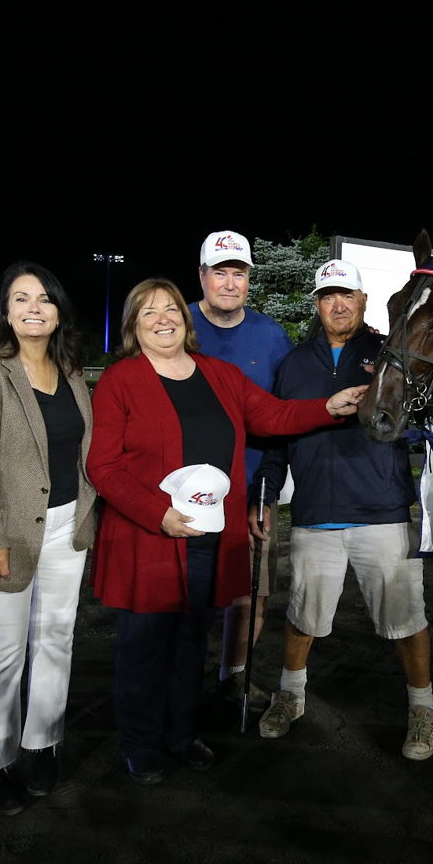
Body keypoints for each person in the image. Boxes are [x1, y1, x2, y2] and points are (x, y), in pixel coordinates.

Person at [86, 279, 366, 784]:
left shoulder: (219, 375)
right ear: (133, 325)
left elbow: (273, 415)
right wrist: (157, 513)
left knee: (192, 641)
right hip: (149, 538)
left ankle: (180, 734)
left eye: (170, 309)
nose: (163, 319)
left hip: (210, 536)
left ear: (185, 318)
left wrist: (329, 406)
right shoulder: (120, 381)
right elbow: (102, 467)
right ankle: (141, 743)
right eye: (149, 312)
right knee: (144, 646)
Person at [254, 260, 433, 760]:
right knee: (303, 614)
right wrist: (269, 492)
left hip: (381, 510)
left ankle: (423, 709)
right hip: (316, 512)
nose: (338, 305)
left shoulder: (389, 352)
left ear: (362, 300)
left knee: (406, 617)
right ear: (317, 304)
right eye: (327, 296)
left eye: (347, 295)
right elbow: (277, 432)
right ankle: (290, 694)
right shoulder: (294, 363)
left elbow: (423, 410)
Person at [0, 262, 96, 815]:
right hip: (8, 533)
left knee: (57, 639)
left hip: (67, 527)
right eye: (21, 298)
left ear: (59, 310)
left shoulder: (71, 370)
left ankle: (41, 743)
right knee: (3, 649)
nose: (33, 307)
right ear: (6, 312)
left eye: (44, 298)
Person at [188, 230, 293, 710]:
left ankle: (233, 677)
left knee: (251, 594)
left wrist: (265, 495)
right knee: (184, 599)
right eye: (220, 272)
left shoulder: (271, 336)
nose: (230, 283)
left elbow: (280, 420)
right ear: (203, 275)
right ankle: (179, 682)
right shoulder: (176, 324)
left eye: (239, 273)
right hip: (182, 492)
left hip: (250, 487)